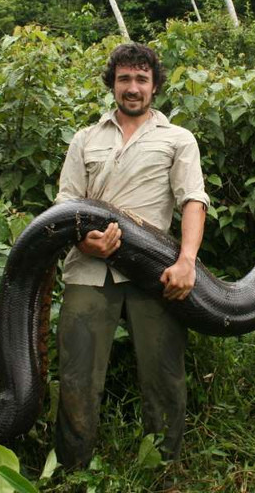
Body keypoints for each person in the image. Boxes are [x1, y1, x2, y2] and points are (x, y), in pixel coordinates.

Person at [54, 42, 209, 469]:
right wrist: (85, 242)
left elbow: (193, 200)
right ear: (113, 84)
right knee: (77, 376)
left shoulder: (177, 138)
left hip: (154, 273)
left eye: (142, 78)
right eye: (125, 79)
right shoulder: (85, 138)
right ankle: (73, 469)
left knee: (163, 376)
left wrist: (187, 261)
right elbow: (65, 204)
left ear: (155, 85)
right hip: (88, 271)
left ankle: (162, 468)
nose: (133, 87)